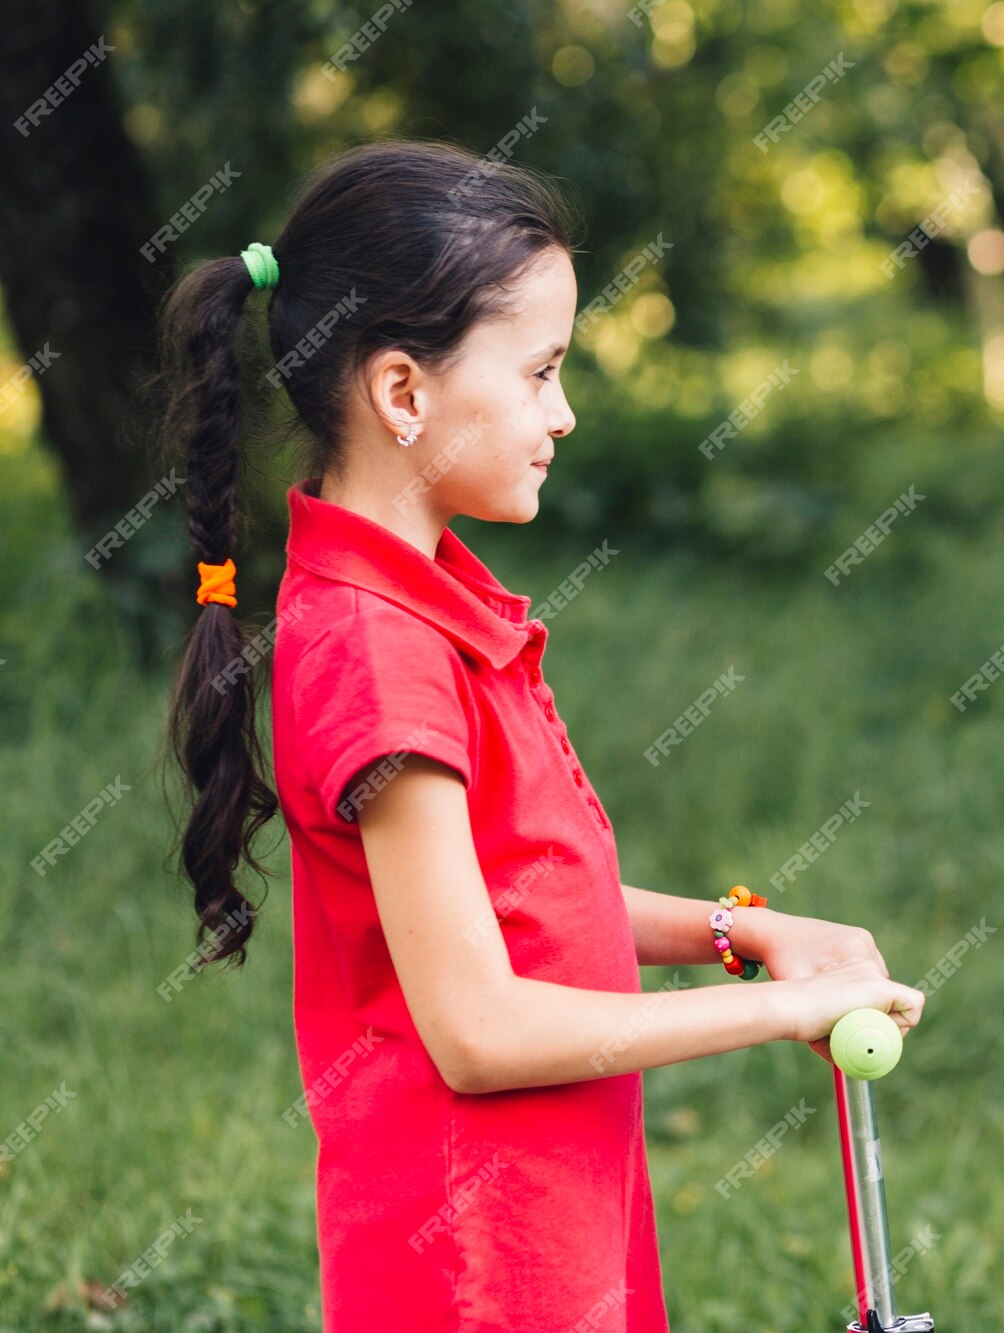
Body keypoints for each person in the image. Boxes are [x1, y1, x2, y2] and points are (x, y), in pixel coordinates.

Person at [158, 139, 924, 1331]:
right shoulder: (375, 651)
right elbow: (477, 1031)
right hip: (471, 1259)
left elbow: (519, 901)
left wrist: (740, 931)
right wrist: (781, 1013)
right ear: (403, 392)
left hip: (547, 1223)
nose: (563, 415)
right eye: (539, 372)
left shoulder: (424, 604)